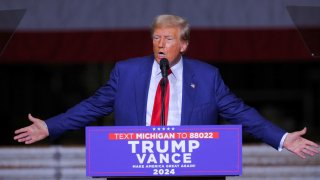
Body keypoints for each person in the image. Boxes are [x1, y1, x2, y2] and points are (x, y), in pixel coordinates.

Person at [14, 14, 319, 159]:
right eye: (156, 38)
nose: (160, 44)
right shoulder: (127, 71)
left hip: (190, 169)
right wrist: (50, 127)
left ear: (184, 44)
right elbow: (92, 107)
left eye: (169, 39)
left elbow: (241, 113)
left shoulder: (208, 76)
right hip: (135, 168)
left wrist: (281, 138)